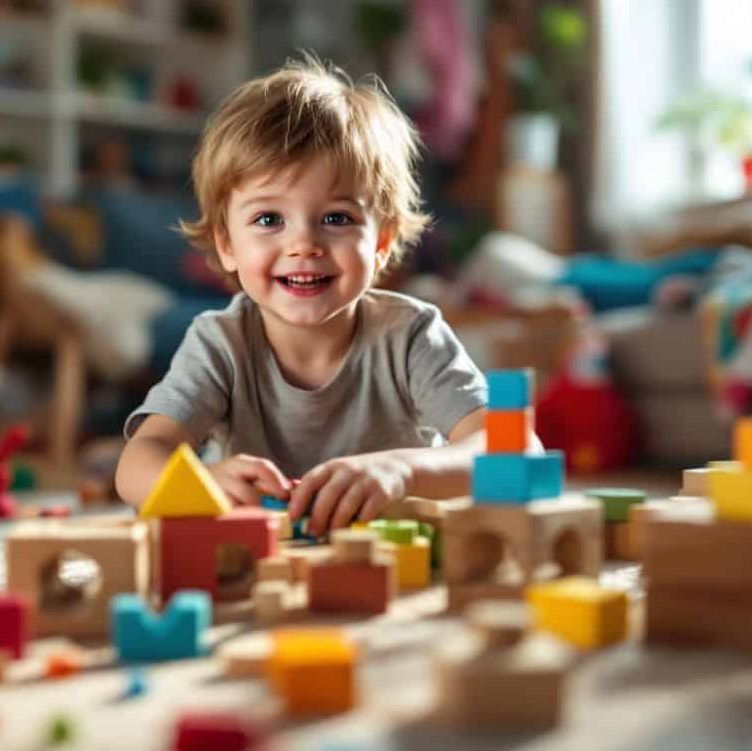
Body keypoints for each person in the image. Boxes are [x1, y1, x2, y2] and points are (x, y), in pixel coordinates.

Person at [116, 57, 538, 536]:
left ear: (381, 243)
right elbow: (138, 461)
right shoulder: (220, 341)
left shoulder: (411, 334)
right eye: (269, 219)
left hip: (393, 560)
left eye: (336, 218)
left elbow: (515, 447)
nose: (303, 245)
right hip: (258, 566)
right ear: (227, 244)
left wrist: (403, 470)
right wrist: (203, 483)